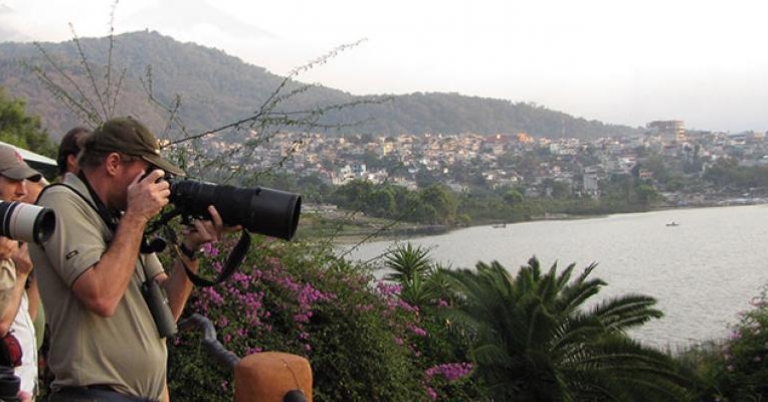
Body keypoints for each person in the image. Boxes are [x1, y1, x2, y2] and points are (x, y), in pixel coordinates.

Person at [30, 116, 231, 402]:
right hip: (92, 395)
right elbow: (101, 296)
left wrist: (190, 248)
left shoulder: (119, 219)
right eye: (148, 170)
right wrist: (136, 217)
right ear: (113, 164)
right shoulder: (62, 201)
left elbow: (168, 312)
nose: (156, 180)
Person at [0, 144, 44, 400]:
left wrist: (32, 268)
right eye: (14, 180)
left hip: (19, 384)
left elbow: (28, 317)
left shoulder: (9, 242)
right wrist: (20, 274)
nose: (22, 190)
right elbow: (2, 324)